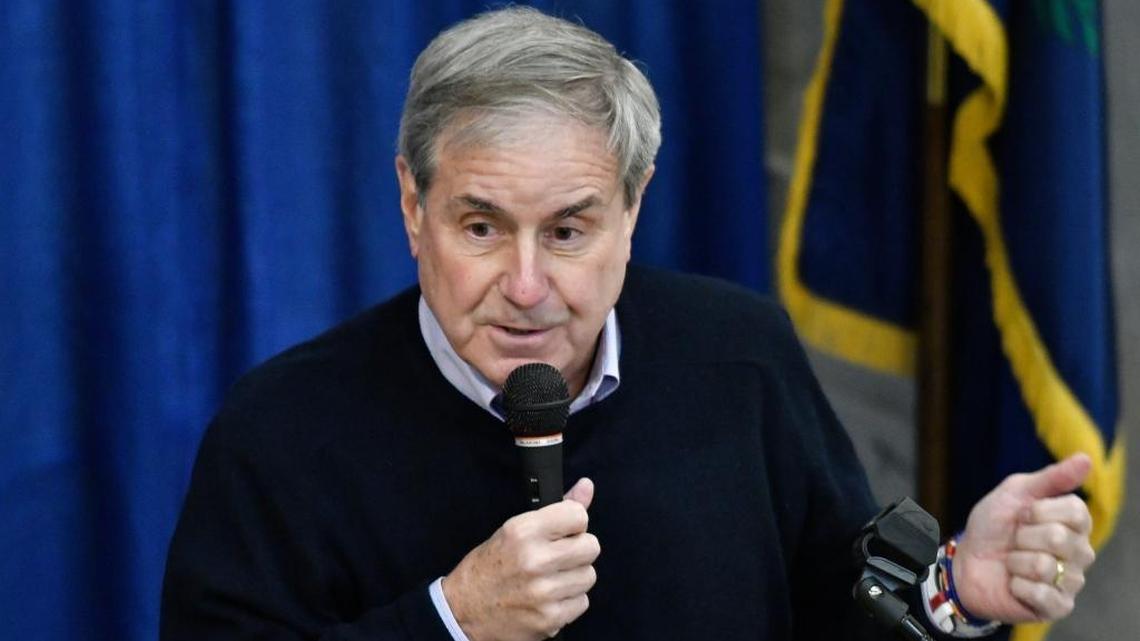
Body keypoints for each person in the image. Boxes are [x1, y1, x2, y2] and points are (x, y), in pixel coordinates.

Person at [161, 7, 1096, 641]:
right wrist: (453, 619)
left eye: (568, 230)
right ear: (413, 207)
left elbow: (841, 612)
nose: (526, 286)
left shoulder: (737, 355)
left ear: (633, 207)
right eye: (481, 227)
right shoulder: (280, 431)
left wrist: (953, 589)